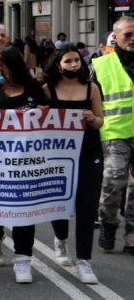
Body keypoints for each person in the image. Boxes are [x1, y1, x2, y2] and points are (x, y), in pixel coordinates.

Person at [0, 47, 47, 283]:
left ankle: (23, 260)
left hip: (26, 163)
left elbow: (51, 119)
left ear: (13, 67)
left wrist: (44, 113)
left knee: (26, 209)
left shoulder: (34, 90)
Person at [42, 46, 104, 284]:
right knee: (59, 199)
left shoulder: (92, 88)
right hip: (57, 153)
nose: (73, 65)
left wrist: (92, 118)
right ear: (59, 65)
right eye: (68, 61)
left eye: (76, 60)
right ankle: (60, 239)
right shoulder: (47, 89)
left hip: (88, 150)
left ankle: (84, 260)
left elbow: (100, 121)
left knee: (87, 205)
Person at [92, 16, 134, 256]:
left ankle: (132, 237)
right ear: (115, 37)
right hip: (114, 133)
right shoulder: (101, 65)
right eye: (127, 34)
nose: (132, 38)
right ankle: (108, 224)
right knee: (114, 182)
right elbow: (86, 97)